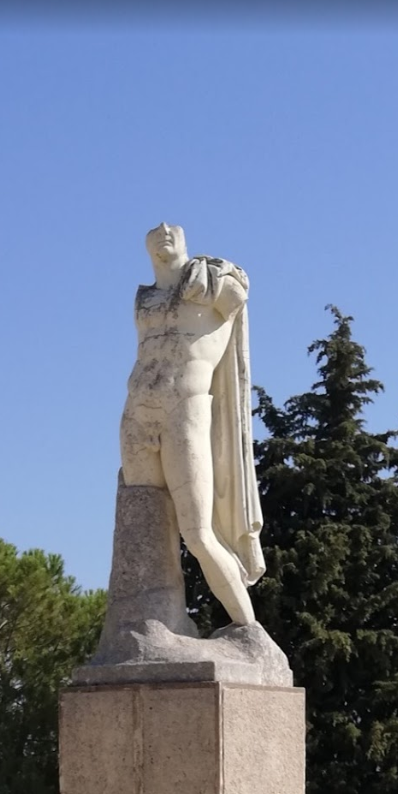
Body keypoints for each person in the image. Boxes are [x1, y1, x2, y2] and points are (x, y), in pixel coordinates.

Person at [118, 223, 265, 626]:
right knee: (144, 525)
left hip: (185, 408)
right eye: (154, 231)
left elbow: (238, 298)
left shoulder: (215, 278)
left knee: (198, 534)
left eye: (172, 229)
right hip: (137, 412)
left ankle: (248, 629)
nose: (164, 230)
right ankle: (153, 627)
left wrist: (217, 273)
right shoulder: (144, 298)